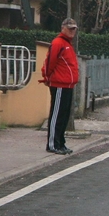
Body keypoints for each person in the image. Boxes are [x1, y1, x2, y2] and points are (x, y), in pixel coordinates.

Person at [40, 18, 79, 155]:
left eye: (74, 28)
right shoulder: (58, 43)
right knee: (57, 115)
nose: (72, 31)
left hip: (67, 85)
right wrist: (47, 77)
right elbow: (51, 62)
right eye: (69, 28)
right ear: (63, 28)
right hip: (59, 84)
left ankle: (60, 143)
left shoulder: (67, 44)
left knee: (64, 115)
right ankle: (52, 144)